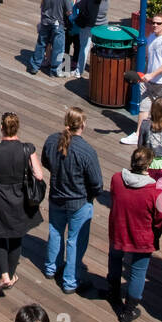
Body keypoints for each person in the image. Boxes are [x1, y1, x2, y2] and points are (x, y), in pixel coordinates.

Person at [41, 107, 103, 294]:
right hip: (79, 201)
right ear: (83, 125)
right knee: (75, 241)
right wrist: (89, 195)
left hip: (57, 196)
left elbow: (46, 161)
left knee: (55, 232)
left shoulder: (52, 141)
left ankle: (51, 267)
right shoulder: (86, 151)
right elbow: (97, 183)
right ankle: (70, 280)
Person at [0, 113, 44, 295]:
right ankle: (11, 273)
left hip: (0, 194)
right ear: (17, 128)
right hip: (21, 196)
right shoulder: (28, 149)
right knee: (17, 236)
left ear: (1, 127)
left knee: (0, 235)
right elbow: (39, 175)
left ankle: (4, 275)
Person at [107, 144, 162, 322]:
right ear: (148, 166)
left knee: (115, 260)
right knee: (138, 272)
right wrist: (158, 231)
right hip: (142, 236)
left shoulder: (117, 179)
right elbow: (160, 218)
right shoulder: (156, 192)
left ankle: (113, 292)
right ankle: (129, 309)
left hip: (119, 229)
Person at [28, 0, 73, 76]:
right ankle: (54, 70)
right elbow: (69, 12)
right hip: (58, 23)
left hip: (45, 21)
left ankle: (35, 67)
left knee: (41, 44)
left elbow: (42, 4)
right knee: (58, 47)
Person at [135, 96, 162, 182]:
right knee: (161, 188)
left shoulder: (145, 124)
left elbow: (140, 145)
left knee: (148, 185)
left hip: (148, 163)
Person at [71, 0, 108, 77]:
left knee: (84, 48)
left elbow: (78, 6)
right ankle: (99, 71)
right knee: (100, 49)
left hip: (87, 27)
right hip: (101, 27)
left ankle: (79, 72)